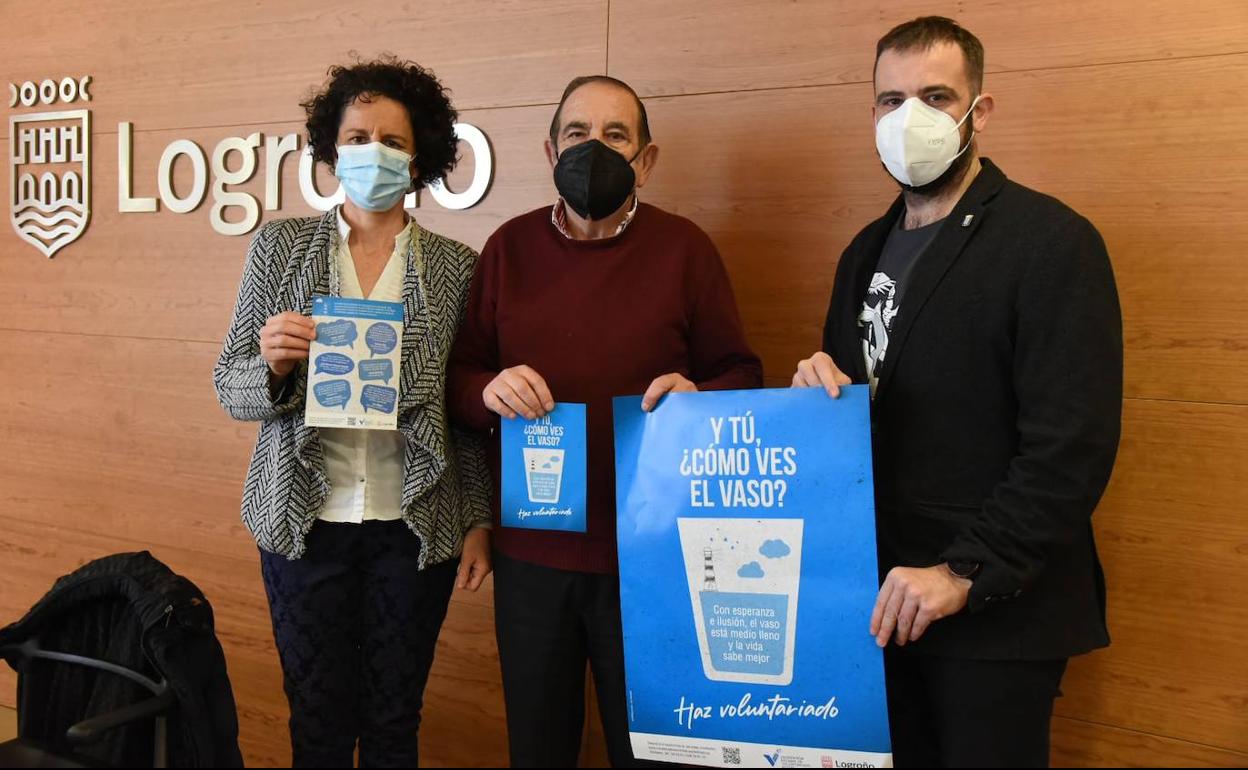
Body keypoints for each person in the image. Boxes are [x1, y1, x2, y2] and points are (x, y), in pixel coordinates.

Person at [791, 17, 1122, 768]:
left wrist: (962, 572)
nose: (909, 117)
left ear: (980, 110)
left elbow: (1070, 447)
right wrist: (817, 398)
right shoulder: (863, 252)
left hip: (993, 619)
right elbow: (861, 418)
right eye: (891, 100)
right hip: (877, 607)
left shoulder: (1051, 242)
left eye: (935, 96)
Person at [448, 75, 763, 767]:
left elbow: (743, 372)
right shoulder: (508, 249)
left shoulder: (685, 250)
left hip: (653, 554)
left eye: (615, 136)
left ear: (645, 160)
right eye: (577, 133)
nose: (594, 148)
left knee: (651, 752)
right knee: (538, 748)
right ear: (549, 151)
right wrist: (488, 390)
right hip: (531, 553)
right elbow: (461, 378)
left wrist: (698, 394)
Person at [212, 56, 491, 767]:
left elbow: (463, 412)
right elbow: (230, 386)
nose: (374, 153)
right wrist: (273, 364)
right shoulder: (280, 247)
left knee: (396, 721)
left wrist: (478, 519)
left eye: (393, 141)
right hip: (303, 523)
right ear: (332, 150)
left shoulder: (457, 267)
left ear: (419, 158)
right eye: (358, 137)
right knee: (318, 721)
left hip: (412, 526)